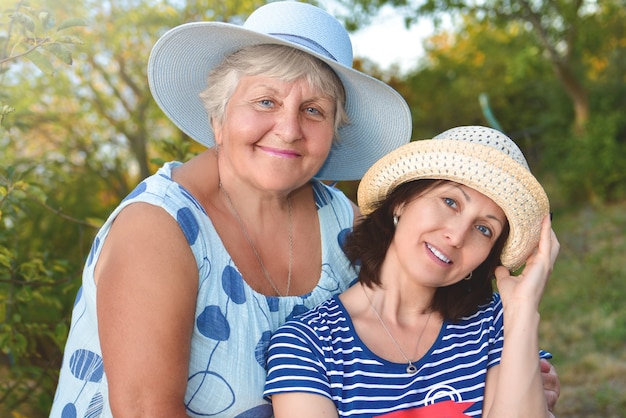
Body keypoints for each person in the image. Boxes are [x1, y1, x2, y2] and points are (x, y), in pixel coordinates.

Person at [49, 1, 558, 416]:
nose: (290, 129)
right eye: (266, 102)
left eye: (313, 110)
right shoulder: (158, 228)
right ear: (218, 114)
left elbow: (417, 299)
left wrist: (514, 373)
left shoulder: (337, 217)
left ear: (334, 134)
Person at [264, 125, 560, 418]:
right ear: (402, 202)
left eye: (484, 229)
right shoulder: (305, 346)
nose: (457, 237)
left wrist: (522, 309)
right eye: (450, 202)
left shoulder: (496, 322)